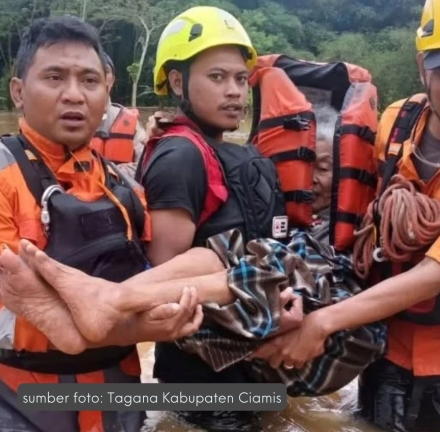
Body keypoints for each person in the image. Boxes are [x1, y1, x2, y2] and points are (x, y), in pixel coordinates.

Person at [248, 1, 440, 431]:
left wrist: (322, 322)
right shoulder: (396, 121)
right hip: (381, 347)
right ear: (422, 68)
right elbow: (353, 220)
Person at [0, 102, 387, 401]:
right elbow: (173, 262)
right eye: (311, 166)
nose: (317, 180)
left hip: (332, 336)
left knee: (268, 265)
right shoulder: (208, 165)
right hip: (237, 352)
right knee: (220, 254)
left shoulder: (358, 228)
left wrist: (320, 320)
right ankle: (103, 303)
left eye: (326, 168)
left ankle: (104, 306)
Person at [0, 16, 201, 432]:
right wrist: (133, 327)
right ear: (18, 91)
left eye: (89, 81)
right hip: (14, 398)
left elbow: (157, 275)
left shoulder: (124, 185)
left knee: (205, 263)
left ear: (106, 92)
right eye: (54, 77)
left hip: (116, 394)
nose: (74, 95)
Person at [135, 6, 288, 430]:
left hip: (249, 362)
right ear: (179, 81)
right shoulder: (181, 156)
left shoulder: (220, 151)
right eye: (217, 77)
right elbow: (165, 284)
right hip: (203, 376)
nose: (234, 92)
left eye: (241, 79)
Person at [90, 52, 147, 173]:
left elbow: (146, 164)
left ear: (113, 79)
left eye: (106, 70)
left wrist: (110, 173)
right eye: (95, 71)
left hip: (122, 189)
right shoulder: (71, 119)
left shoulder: (130, 122)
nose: (101, 76)